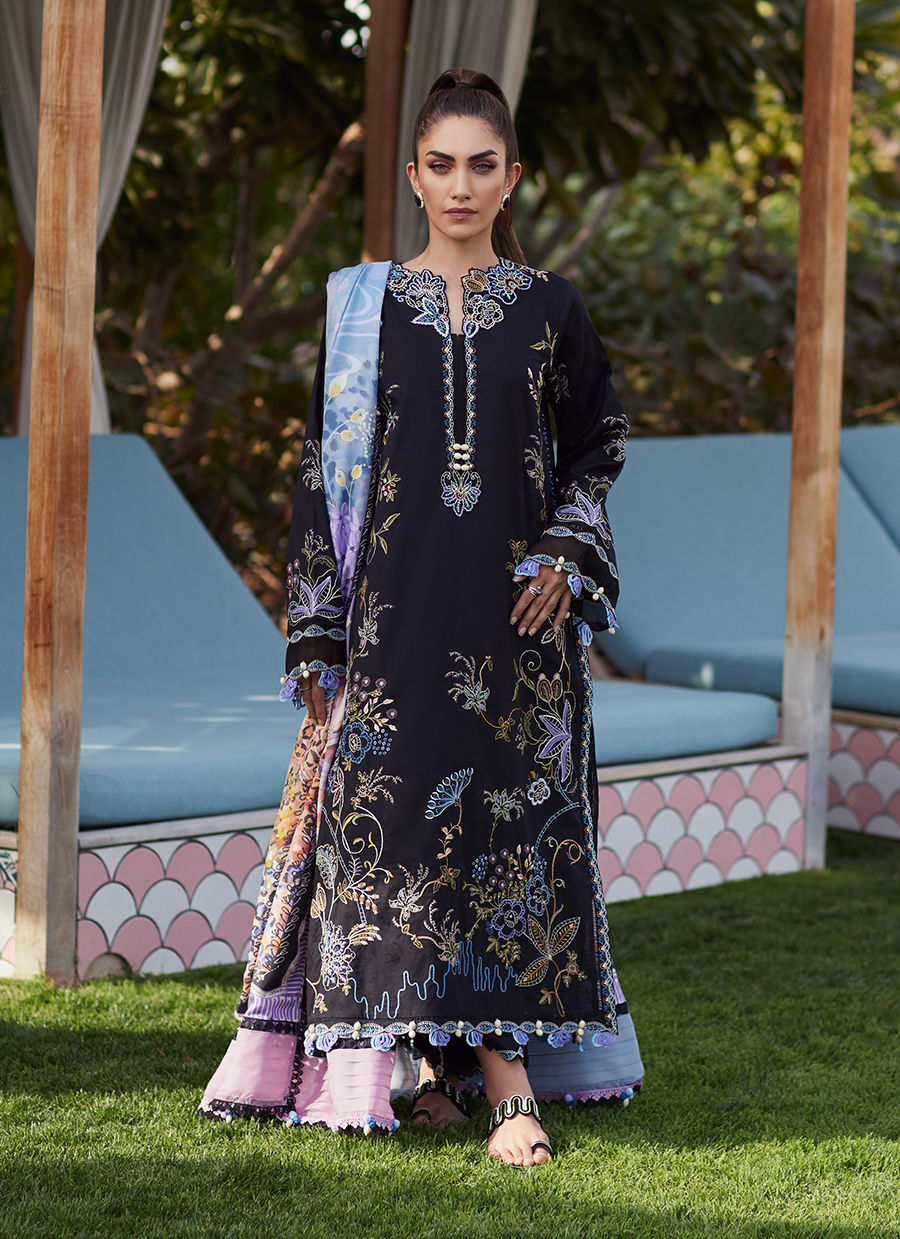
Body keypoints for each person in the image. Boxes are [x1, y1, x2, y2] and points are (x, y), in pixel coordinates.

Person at [199, 67, 639, 1169]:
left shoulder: (550, 309)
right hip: (390, 625)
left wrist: (566, 546)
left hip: (516, 633)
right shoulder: (364, 308)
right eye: (441, 165)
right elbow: (321, 471)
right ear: (412, 175)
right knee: (397, 837)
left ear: (512, 177)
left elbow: (601, 441)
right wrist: (316, 626)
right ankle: (429, 1070)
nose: (461, 186)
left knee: (504, 840)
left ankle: (506, 1083)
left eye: (482, 165)